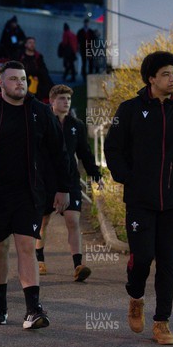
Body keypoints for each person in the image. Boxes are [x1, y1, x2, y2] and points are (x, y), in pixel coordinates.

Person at [104, 51, 173, 345]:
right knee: (142, 257)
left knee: (167, 261)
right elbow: (112, 148)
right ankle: (136, 297)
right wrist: (128, 177)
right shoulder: (129, 110)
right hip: (140, 200)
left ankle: (162, 322)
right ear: (151, 79)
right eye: (166, 74)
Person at [0, 61, 71, 329]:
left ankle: (33, 309)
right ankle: (0, 304)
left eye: (22, 79)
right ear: (1, 83)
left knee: (26, 246)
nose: (19, 83)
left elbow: (60, 152)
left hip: (30, 192)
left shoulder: (40, 112)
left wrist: (63, 188)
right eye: (13, 79)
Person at [37, 85, 103, 281]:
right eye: (62, 99)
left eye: (68, 98)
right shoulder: (42, 123)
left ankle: (78, 265)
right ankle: (39, 259)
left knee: (73, 221)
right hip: (46, 180)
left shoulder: (77, 125)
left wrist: (95, 175)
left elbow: (85, 153)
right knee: (43, 221)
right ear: (52, 101)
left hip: (70, 179)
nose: (66, 102)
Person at [19, 37, 53, 103]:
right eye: (30, 42)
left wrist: (38, 76)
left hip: (38, 79)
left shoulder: (38, 57)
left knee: (49, 85)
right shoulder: (20, 56)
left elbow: (44, 70)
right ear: (25, 45)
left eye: (33, 43)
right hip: (24, 79)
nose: (32, 44)